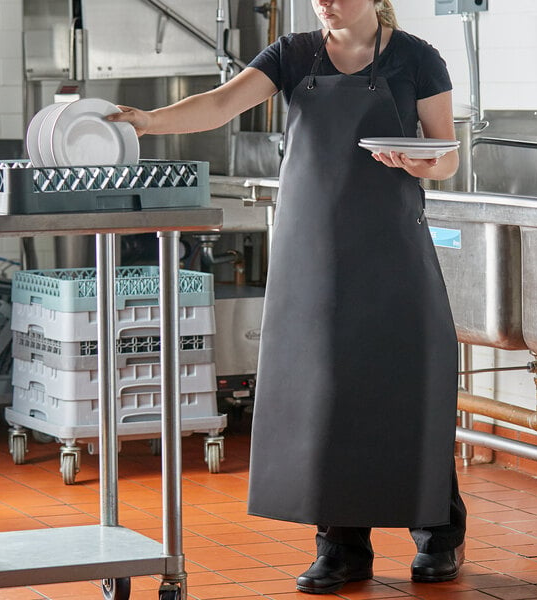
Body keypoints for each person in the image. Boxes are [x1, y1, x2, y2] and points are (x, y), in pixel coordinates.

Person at [107, 0, 467, 594]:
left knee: (407, 387)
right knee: (324, 394)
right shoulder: (293, 54)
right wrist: (148, 122)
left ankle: (437, 536)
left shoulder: (417, 59)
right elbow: (222, 104)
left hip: (392, 248)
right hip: (311, 253)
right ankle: (341, 546)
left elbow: (447, 154)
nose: (324, 0)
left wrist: (415, 162)